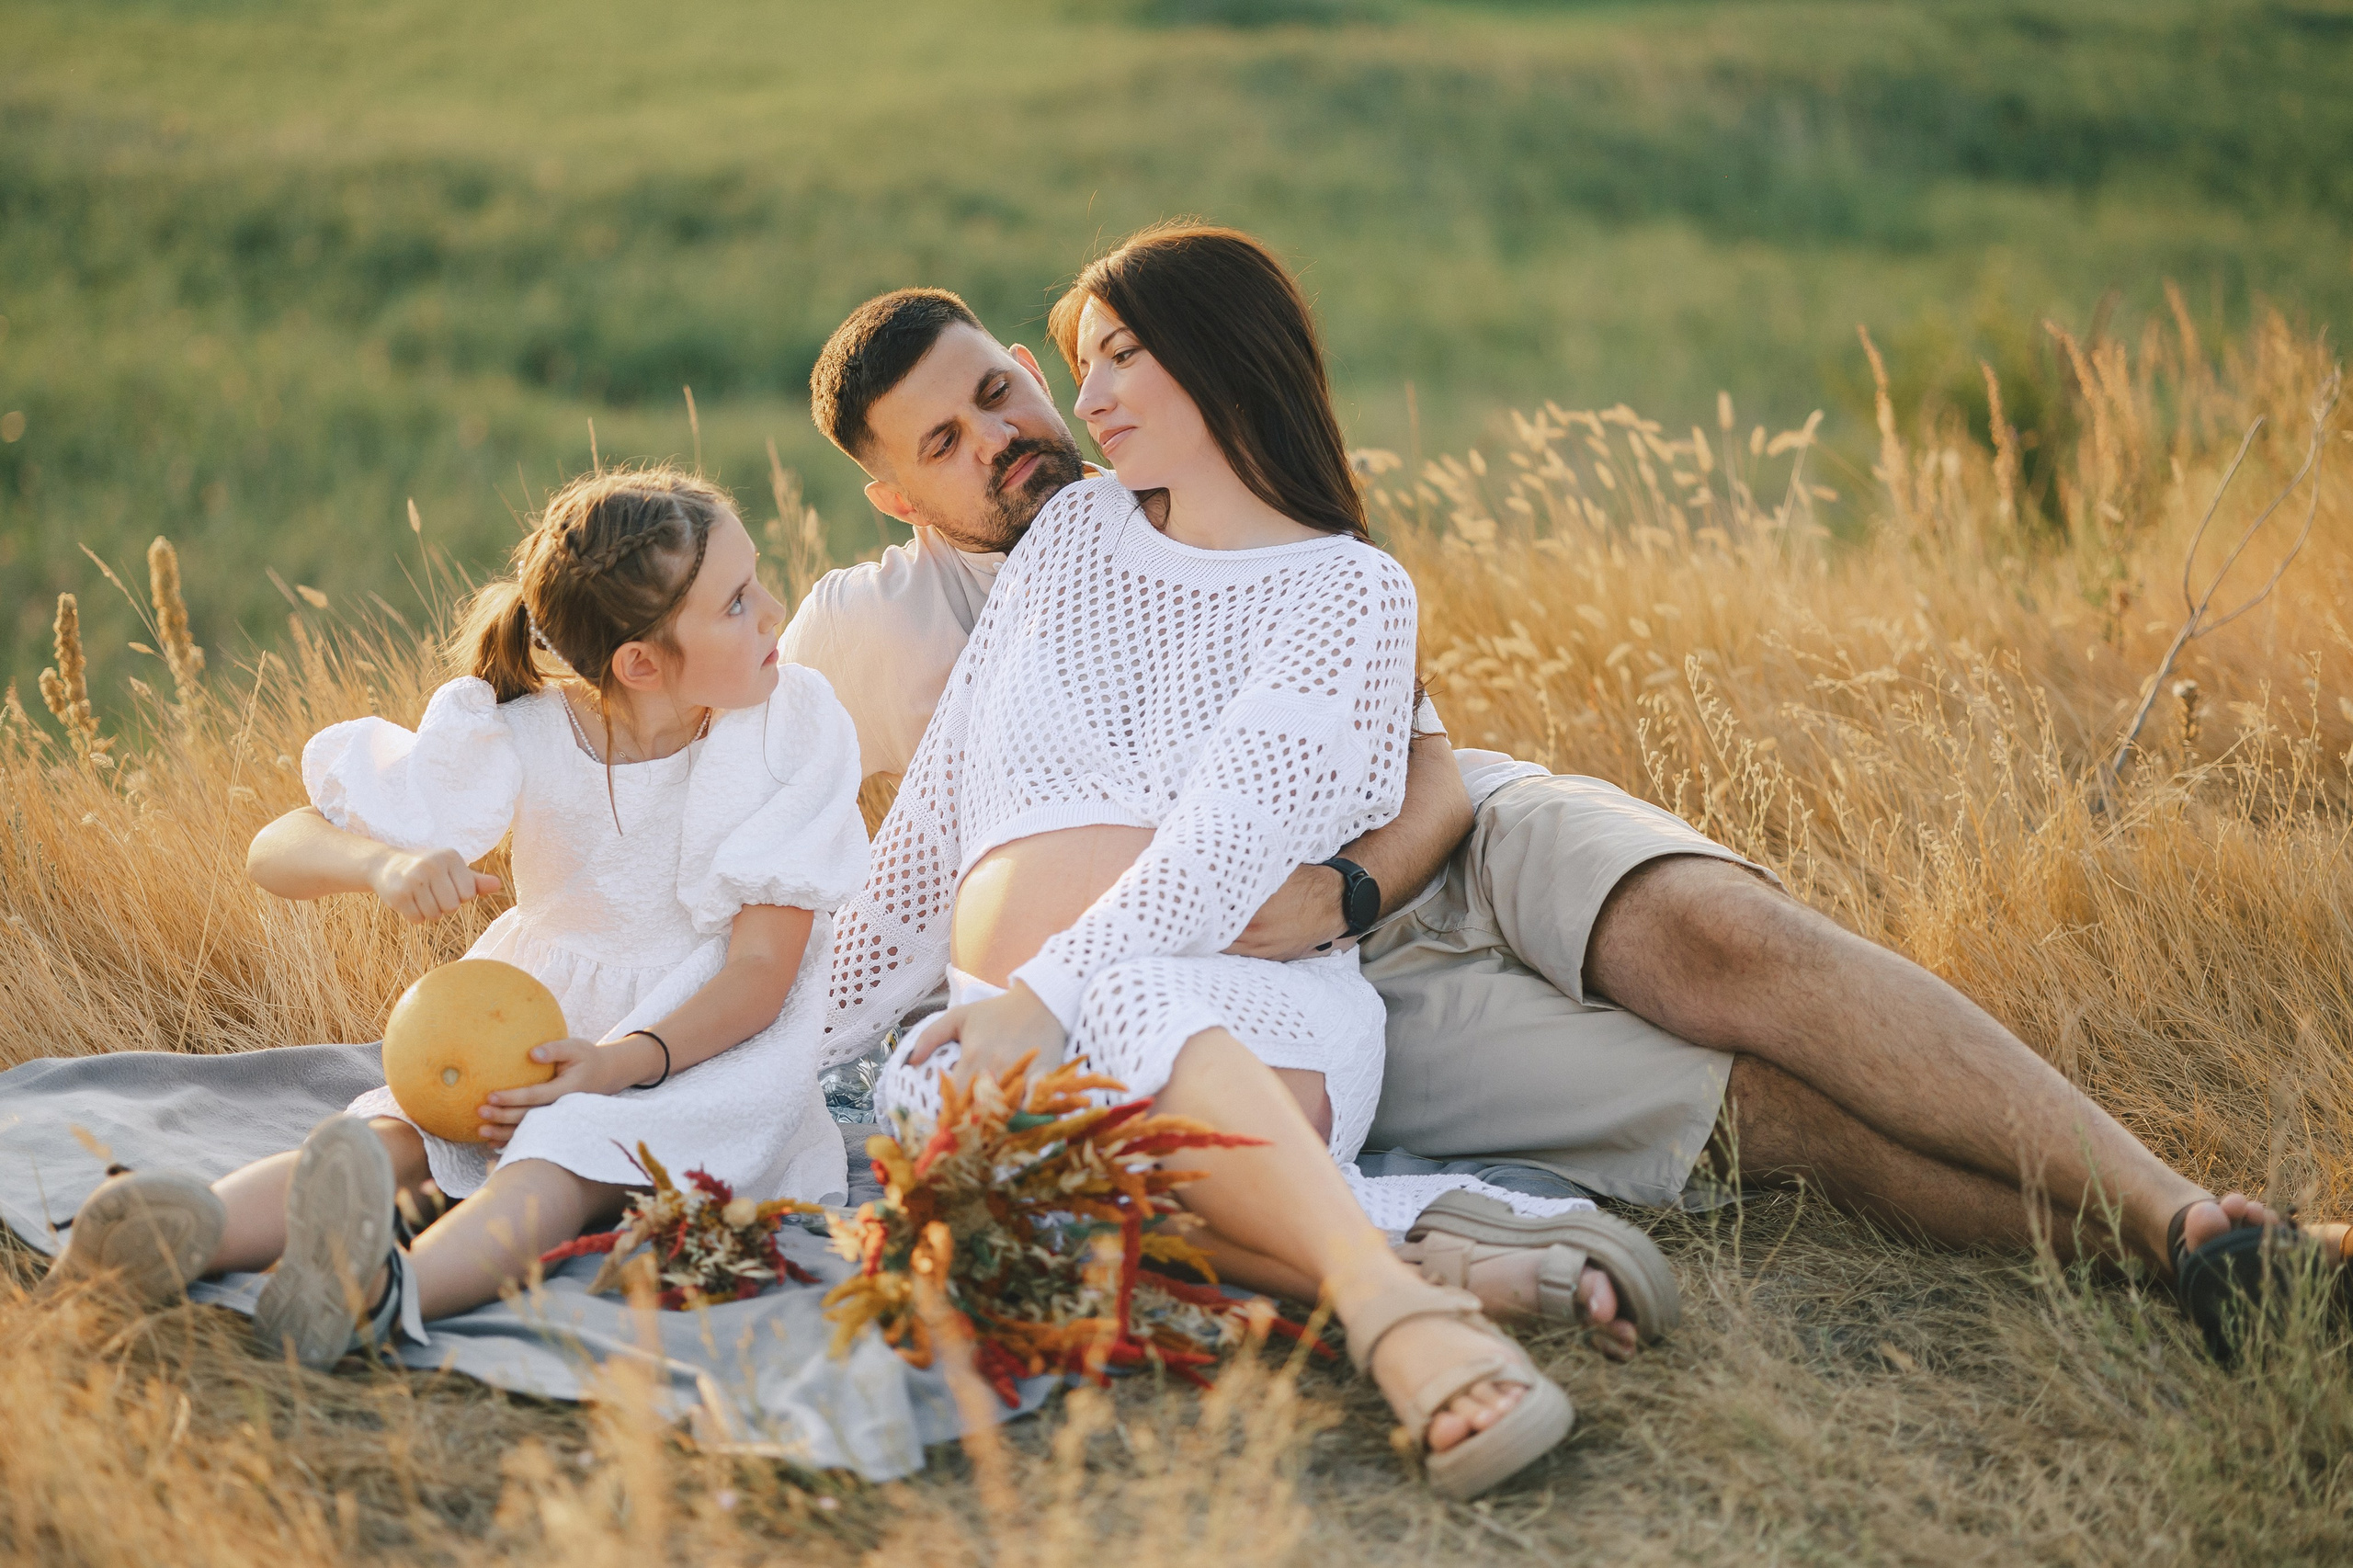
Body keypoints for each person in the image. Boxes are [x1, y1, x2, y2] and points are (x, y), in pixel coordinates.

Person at [787, 267, 2350, 1364]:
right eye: (949, 441)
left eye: (1002, 386)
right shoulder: (874, 629)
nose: (1012, 432)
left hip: (1403, 851)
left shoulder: (1189, 492)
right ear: (898, 500)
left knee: (1724, 942)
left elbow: (1428, 767)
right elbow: (733, 776)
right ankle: (2201, 1259)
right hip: (1272, 998)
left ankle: (2169, 1196)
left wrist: (1343, 888)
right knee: (1754, 1123)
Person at [815, 225, 1685, 1500]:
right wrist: (764, 1044)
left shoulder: (1351, 590)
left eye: (1113, 360)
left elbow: (1226, 847)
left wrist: (1040, 997)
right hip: (1021, 1036)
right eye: (1084, 365)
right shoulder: (1060, 545)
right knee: (927, 1127)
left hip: (1243, 1013)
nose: (1083, 402)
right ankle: (1431, 1262)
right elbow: (924, 838)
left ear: (1216, 359)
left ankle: (1400, 1324)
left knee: (1120, 1005)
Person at [41, 467, 870, 1368]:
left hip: (704, 1046)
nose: (776, 609)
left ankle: (383, 1294)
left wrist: (615, 1064)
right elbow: (275, 849)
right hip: (535, 1010)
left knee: (561, 1153)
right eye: (739, 601)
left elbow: (758, 976)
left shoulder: (791, 728)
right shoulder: (523, 729)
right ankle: (184, 1233)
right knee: (398, 1127)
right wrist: (386, 863)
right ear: (638, 661)